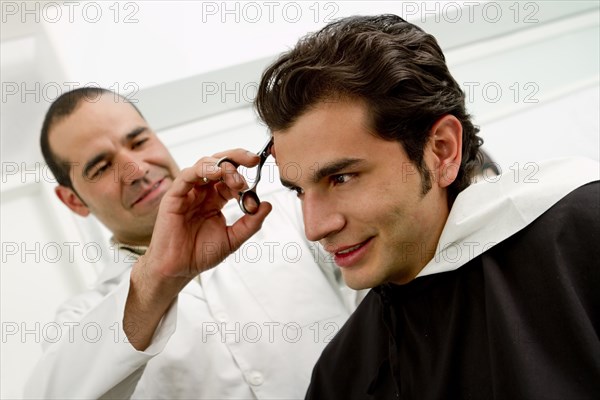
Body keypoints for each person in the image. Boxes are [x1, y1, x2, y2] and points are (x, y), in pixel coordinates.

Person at [253, 15, 600, 399]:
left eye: (342, 178)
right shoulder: (339, 377)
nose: (315, 227)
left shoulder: (583, 233)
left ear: (441, 150)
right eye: (299, 191)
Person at [25, 87, 363, 399]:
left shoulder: (284, 215)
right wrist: (157, 276)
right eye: (101, 166)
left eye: (139, 141)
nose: (136, 169)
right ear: (73, 201)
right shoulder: (80, 319)